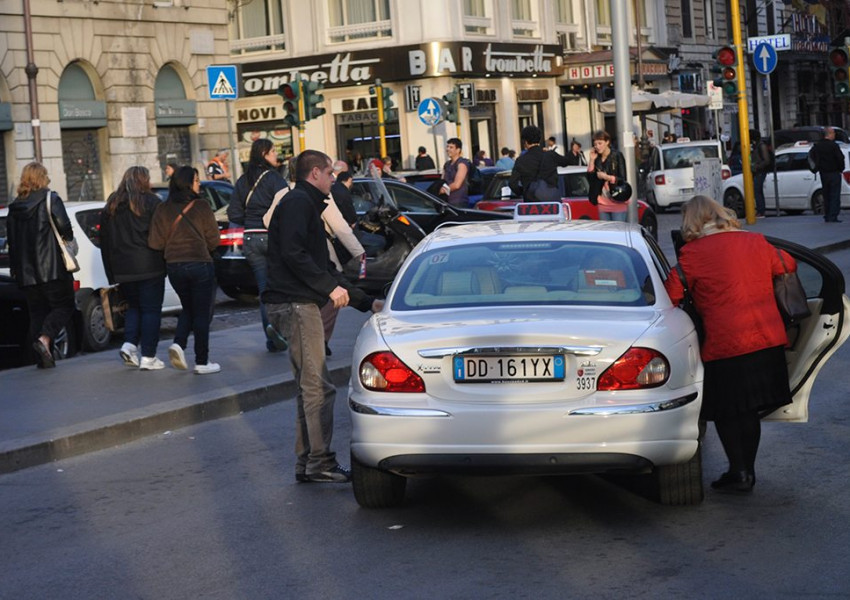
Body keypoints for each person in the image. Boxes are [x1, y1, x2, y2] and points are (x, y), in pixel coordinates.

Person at [263, 150, 383, 484]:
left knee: (309, 386)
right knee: (319, 386)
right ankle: (320, 462)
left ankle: (308, 462)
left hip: (296, 301)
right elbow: (295, 255)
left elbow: (324, 266)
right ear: (314, 173)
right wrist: (329, 289)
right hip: (296, 303)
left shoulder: (305, 204)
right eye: (330, 172)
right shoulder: (299, 204)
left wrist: (365, 302)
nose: (334, 178)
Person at [665, 195, 795, 494]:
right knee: (749, 411)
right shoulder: (755, 241)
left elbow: (671, 294)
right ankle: (747, 470)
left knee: (726, 410)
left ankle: (737, 470)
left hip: (724, 345)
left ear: (690, 222)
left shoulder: (692, 254)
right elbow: (787, 264)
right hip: (765, 340)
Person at [148, 166, 222, 374]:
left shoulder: (163, 208)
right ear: (189, 183)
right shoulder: (201, 206)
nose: (199, 184)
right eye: (197, 181)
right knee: (201, 312)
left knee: (189, 307)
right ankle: (202, 361)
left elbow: (155, 242)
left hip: (174, 267)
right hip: (199, 264)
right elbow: (214, 239)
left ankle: (179, 344)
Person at [6, 162, 77, 369]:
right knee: (65, 306)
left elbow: (11, 241)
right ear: (42, 177)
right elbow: (65, 229)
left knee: (37, 313)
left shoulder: (14, 207)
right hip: (53, 269)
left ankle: (42, 359)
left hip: (26, 274)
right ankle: (45, 339)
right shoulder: (50, 199)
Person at [99, 166, 166, 370]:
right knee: (151, 310)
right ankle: (149, 355)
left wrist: (110, 271)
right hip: (150, 264)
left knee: (134, 308)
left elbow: (105, 240)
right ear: (144, 180)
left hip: (123, 267)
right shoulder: (152, 202)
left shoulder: (112, 203)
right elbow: (162, 234)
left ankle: (129, 345)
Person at [229, 139, 290, 353]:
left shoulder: (242, 180)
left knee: (264, 290)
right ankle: (280, 331)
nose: (276, 156)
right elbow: (287, 206)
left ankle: (272, 336)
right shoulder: (275, 179)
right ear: (264, 153)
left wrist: (251, 219)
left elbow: (234, 214)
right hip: (272, 237)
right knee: (281, 288)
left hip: (251, 239)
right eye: (273, 152)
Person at [320, 191, 366, 357]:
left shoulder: (283, 191)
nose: (332, 179)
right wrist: (359, 251)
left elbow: (268, 219)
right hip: (322, 249)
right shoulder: (320, 193)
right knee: (336, 291)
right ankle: (321, 339)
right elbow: (339, 225)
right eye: (329, 173)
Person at [509, 125, 569, 202]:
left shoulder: (521, 160)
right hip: (552, 202)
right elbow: (566, 161)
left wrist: (524, 191)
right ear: (539, 139)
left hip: (531, 202)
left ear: (525, 142)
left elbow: (512, 183)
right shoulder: (550, 155)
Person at [587, 130, 628, 222]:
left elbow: (622, 178)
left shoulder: (617, 155)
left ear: (607, 142)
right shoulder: (596, 158)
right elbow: (590, 178)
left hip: (617, 200)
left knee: (618, 232)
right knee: (606, 233)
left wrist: (607, 177)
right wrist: (591, 160)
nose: (597, 146)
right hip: (602, 202)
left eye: (600, 143)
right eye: (595, 144)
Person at [810, 126, 844, 223]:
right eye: (833, 133)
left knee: (826, 194)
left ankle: (827, 214)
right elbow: (840, 158)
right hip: (834, 172)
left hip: (823, 173)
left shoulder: (818, 145)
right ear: (829, 134)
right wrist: (840, 168)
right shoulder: (834, 146)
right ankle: (833, 215)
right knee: (834, 195)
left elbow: (813, 158)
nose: (835, 135)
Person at [440, 138, 472, 208]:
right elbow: (442, 181)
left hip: (458, 202)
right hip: (446, 201)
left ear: (458, 150)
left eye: (451, 147)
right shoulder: (447, 164)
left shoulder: (462, 163)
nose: (448, 149)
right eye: (447, 147)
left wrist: (443, 190)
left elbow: (457, 184)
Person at [750, 129, 773, 218]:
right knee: (757, 191)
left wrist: (757, 167)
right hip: (757, 171)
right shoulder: (756, 145)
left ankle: (761, 210)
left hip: (760, 171)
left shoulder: (761, 146)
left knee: (757, 190)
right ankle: (760, 209)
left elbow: (766, 160)